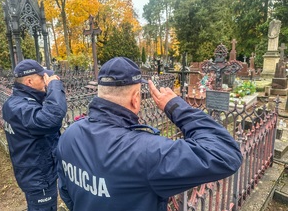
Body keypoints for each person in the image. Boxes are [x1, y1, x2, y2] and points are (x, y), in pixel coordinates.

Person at [57, 57, 242, 211]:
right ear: (135, 98)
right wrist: (176, 107)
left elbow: (65, 191)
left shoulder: (69, 135)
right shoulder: (146, 152)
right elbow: (226, 153)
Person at [2, 59, 67, 211]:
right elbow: (52, 118)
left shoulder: (13, 103)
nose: (46, 80)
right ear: (29, 81)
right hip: (39, 178)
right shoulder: (21, 107)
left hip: (31, 172)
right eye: (42, 77)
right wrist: (54, 86)